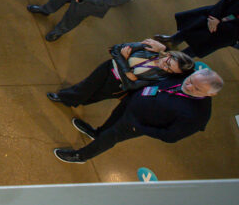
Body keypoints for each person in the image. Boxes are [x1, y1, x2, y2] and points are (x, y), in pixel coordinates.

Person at [53, 68, 221, 163]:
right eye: (191, 80)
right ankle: (96, 133)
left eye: (196, 89)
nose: (188, 85)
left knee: (110, 138)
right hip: (132, 102)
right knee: (110, 122)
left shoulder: (197, 115)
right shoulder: (187, 76)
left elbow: (170, 136)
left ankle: (81, 155)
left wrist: (139, 127)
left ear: (210, 94)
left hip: (136, 123)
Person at [48, 38, 194, 108]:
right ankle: (64, 97)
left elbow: (133, 85)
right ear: (169, 55)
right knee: (86, 86)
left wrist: (124, 63)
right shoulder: (151, 48)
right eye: (168, 63)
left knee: (96, 96)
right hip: (109, 68)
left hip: (117, 85)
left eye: (170, 70)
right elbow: (116, 50)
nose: (165, 67)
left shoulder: (160, 77)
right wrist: (127, 69)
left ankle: (77, 101)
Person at [157, 0, 239, 58]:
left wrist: (218, 24)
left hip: (227, 34)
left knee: (197, 48)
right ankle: (172, 41)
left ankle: (174, 59)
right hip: (214, 16)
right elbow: (225, 2)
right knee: (189, 29)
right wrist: (214, 17)